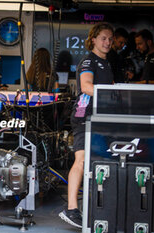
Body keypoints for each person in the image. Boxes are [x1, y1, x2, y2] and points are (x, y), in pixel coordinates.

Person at [59, 22, 114, 228]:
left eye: (110, 39)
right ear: (93, 39)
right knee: (81, 161)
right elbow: (86, 87)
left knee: (98, 161)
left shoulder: (106, 63)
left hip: (100, 116)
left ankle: (98, 207)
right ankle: (71, 208)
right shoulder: (88, 61)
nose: (107, 42)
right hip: (84, 115)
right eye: (103, 38)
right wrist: (112, 93)